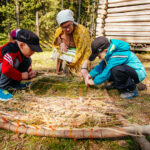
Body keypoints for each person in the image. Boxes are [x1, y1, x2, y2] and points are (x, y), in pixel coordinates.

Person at [0, 29, 42, 101]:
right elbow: (6, 69)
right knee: (15, 62)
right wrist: (21, 75)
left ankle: (13, 85)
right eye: (32, 49)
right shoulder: (11, 50)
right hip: (3, 69)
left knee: (28, 60)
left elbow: (25, 65)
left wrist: (29, 73)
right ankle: (2, 88)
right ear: (22, 45)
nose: (33, 52)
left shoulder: (22, 53)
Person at [52, 9, 91, 79]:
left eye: (69, 25)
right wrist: (61, 44)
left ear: (72, 22)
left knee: (79, 71)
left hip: (80, 50)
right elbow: (58, 39)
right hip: (67, 49)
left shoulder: (82, 31)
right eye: (64, 27)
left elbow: (85, 49)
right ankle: (59, 70)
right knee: (58, 52)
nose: (67, 29)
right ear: (61, 26)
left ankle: (76, 69)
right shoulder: (59, 31)